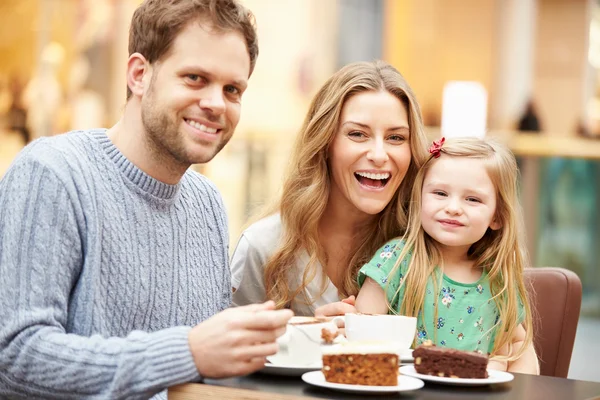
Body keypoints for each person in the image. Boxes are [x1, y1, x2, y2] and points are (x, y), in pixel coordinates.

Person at [0, 1, 293, 399]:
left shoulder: (207, 203)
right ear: (139, 74)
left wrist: (303, 334)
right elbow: (16, 356)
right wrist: (185, 351)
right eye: (194, 78)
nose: (216, 103)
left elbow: (207, 361)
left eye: (232, 89)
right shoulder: (53, 173)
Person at [231, 60, 429, 315]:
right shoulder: (265, 247)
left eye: (396, 138)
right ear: (325, 143)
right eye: (358, 134)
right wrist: (308, 335)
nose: (379, 155)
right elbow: (230, 351)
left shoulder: (426, 246)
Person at [355, 137, 539, 374]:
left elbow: (516, 347)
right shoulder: (395, 261)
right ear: (419, 198)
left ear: (497, 216)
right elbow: (362, 331)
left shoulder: (498, 282)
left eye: (472, 199)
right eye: (440, 193)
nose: (453, 207)